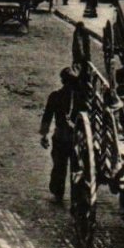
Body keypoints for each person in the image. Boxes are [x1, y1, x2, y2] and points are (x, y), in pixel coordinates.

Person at [40, 67, 78, 203]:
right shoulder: (81, 99)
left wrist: (44, 135)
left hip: (60, 136)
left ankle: (58, 193)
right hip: (77, 139)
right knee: (77, 168)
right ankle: (76, 197)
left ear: (62, 81)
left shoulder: (55, 96)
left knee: (59, 166)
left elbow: (47, 117)